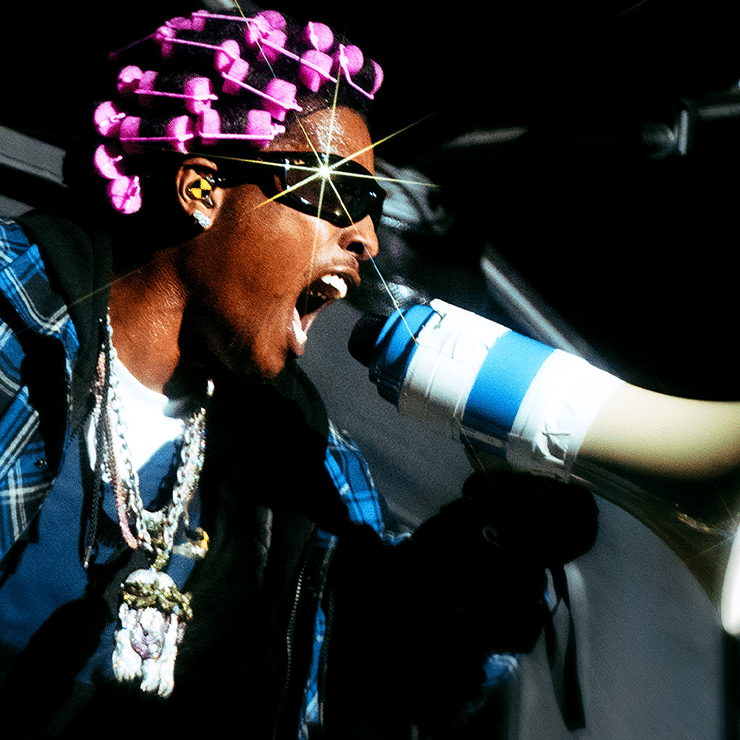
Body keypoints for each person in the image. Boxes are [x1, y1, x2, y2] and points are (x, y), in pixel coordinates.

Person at [0, 7, 597, 738]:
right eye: (341, 195)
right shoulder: (11, 322)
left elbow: (381, 675)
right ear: (201, 190)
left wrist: (477, 568)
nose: (367, 237)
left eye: (374, 208)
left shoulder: (302, 454)